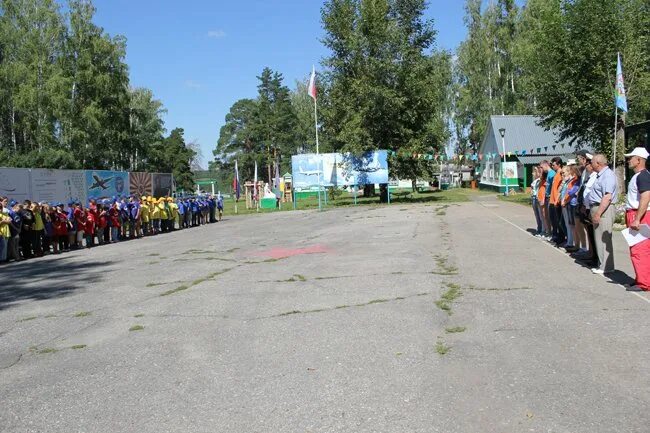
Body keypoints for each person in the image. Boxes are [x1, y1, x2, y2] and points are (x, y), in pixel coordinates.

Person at [585, 154, 617, 275]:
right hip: (597, 207)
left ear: (598, 163)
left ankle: (606, 266)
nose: (590, 164)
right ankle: (602, 264)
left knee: (603, 238)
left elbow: (607, 197)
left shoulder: (608, 175)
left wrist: (598, 213)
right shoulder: (601, 175)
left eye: (592, 162)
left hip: (603, 209)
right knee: (598, 237)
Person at [623, 147, 650, 291]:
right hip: (635, 213)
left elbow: (646, 197)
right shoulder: (640, 175)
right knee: (637, 248)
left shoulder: (643, 176)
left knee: (640, 249)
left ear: (639, 160)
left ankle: (644, 283)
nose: (629, 160)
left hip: (639, 214)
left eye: (631, 157)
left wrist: (637, 218)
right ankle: (642, 278)